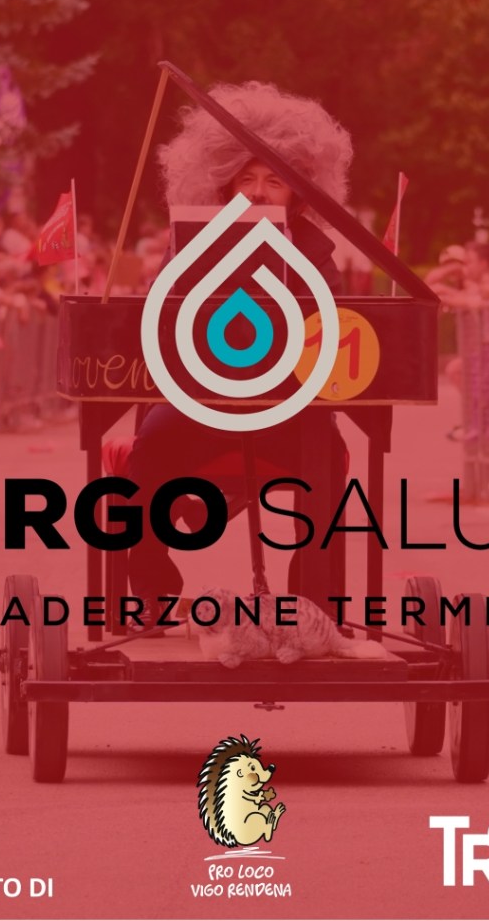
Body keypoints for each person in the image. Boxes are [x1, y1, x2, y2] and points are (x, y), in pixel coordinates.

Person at [124, 81, 349, 626]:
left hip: (288, 412)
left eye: (274, 180)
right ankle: (153, 593)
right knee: (148, 446)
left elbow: (335, 330)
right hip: (197, 408)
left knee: (328, 454)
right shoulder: (187, 244)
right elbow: (159, 318)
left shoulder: (317, 251)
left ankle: (313, 604)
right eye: (246, 179)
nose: (259, 192)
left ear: (299, 191)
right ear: (225, 185)